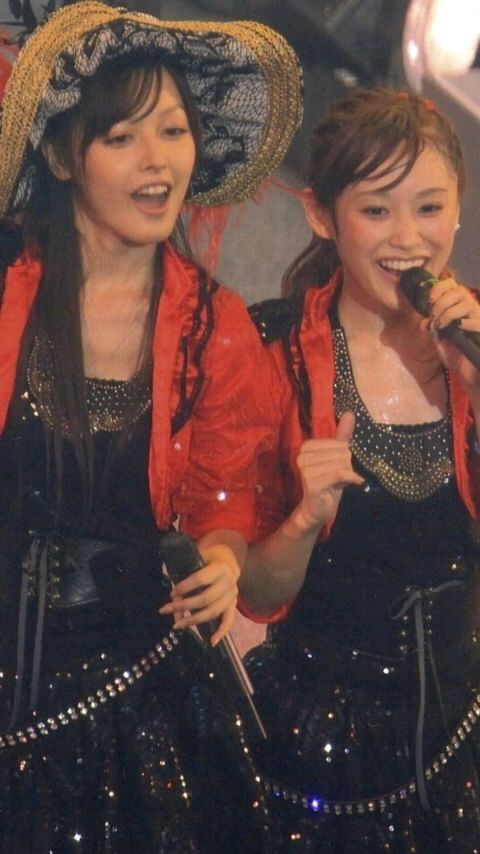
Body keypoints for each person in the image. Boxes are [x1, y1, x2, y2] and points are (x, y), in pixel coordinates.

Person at [0, 3, 302, 852]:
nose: (157, 160)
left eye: (173, 131)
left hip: (138, 695)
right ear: (64, 156)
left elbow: (224, 500)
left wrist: (222, 563)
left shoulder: (217, 327)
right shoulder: (10, 291)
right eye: (123, 136)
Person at [240, 88, 480, 852]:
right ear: (322, 215)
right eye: (377, 210)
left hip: (458, 732)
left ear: (460, 208)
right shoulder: (271, 351)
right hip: (315, 743)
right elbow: (256, 589)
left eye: (429, 208)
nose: (408, 238)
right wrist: (304, 519)